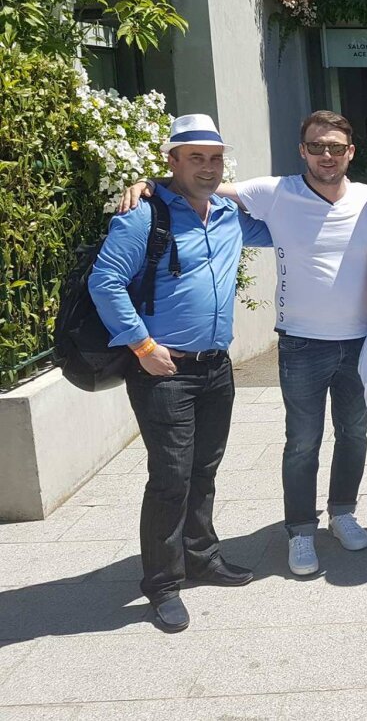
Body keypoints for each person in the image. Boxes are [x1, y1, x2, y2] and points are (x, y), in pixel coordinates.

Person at [118, 111, 367, 579]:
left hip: (359, 341)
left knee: (355, 434)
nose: (326, 154)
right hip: (302, 345)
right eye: (317, 146)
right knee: (302, 441)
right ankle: (301, 530)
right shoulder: (274, 192)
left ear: (350, 152)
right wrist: (150, 183)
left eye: (336, 147)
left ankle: (343, 512)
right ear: (302, 150)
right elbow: (198, 186)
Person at [89, 114, 272, 633]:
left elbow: (291, 225)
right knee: (170, 477)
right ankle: (162, 584)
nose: (208, 167)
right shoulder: (142, 215)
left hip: (216, 366)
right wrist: (142, 345)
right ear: (172, 160)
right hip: (164, 369)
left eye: (215, 158)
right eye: (196, 157)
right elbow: (106, 282)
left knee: (204, 470)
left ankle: (202, 557)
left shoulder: (228, 215)